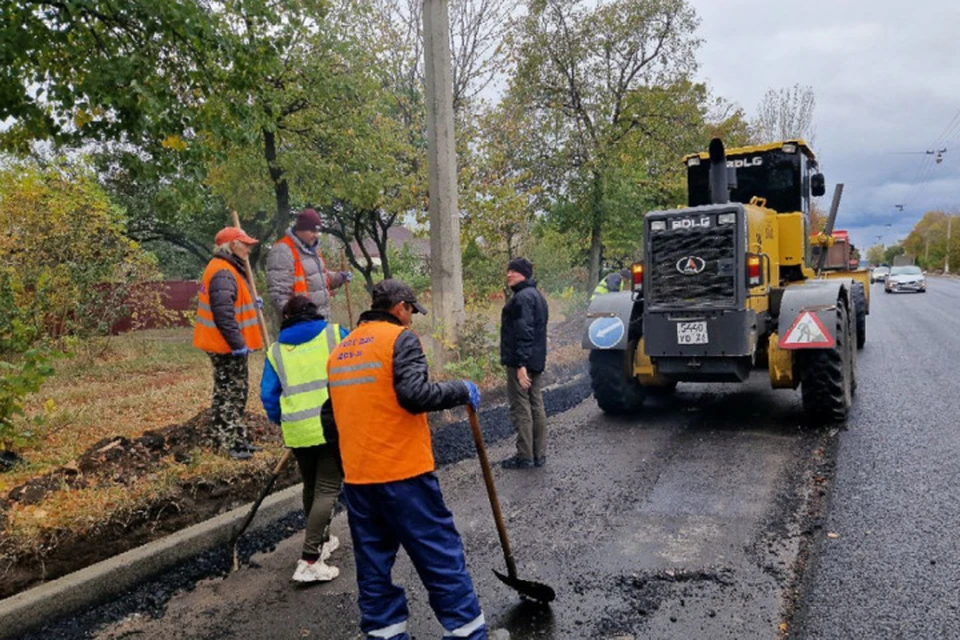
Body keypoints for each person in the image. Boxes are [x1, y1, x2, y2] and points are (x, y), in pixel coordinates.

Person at [327, 279, 486, 640]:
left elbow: (328, 417)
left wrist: (350, 465)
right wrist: (461, 389)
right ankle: (467, 632)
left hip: (359, 481)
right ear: (400, 307)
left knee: (373, 565)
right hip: (403, 475)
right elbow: (413, 394)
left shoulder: (341, 350)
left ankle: (385, 635)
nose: (412, 319)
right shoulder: (399, 339)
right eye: (412, 311)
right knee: (439, 553)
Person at [260, 295, 348, 583]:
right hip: (331, 425)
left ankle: (321, 541)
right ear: (314, 313)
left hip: (298, 430)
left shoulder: (276, 351)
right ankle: (310, 559)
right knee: (327, 489)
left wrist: (281, 419)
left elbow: (268, 395)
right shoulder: (335, 335)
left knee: (311, 486)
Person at [193, 227, 264, 460]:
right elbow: (223, 313)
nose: (249, 249)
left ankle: (235, 438)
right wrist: (237, 343)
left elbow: (233, 303)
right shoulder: (223, 272)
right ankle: (227, 443)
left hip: (225, 344)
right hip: (225, 346)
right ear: (232, 245)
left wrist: (253, 303)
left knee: (234, 392)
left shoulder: (228, 269)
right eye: (245, 244)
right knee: (229, 394)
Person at [499, 257, 549, 470]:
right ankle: (539, 454)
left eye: (514, 271)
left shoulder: (521, 299)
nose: (509, 274)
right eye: (508, 270)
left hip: (522, 362)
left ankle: (525, 456)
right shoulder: (537, 296)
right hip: (536, 359)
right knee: (536, 404)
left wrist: (520, 366)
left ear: (524, 274)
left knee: (521, 407)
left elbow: (524, 333)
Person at [266, 207, 352, 321]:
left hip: (321, 320)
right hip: (302, 325)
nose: (316, 235)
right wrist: (295, 320)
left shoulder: (314, 249)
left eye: (317, 231)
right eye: (312, 231)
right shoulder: (282, 251)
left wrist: (339, 277)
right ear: (299, 230)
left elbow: (318, 277)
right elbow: (279, 294)